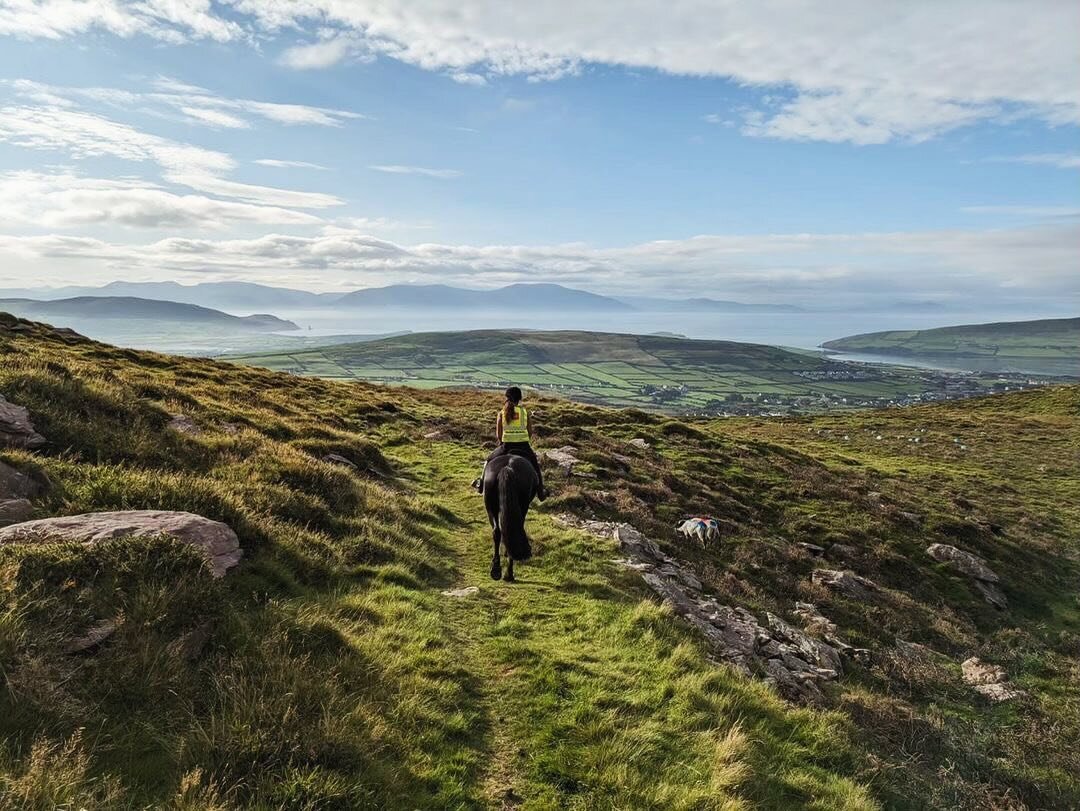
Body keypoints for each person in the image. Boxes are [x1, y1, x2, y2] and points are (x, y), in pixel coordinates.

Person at [473, 386, 546, 500]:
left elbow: (499, 435)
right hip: (523, 446)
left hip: (506, 447)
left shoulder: (501, 413)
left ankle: (481, 485)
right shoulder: (524, 412)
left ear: (507, 398)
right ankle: (541, 491)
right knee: (535, 465)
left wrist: (504, 441)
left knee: (488, 461)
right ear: (519, 399)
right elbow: (530, 432)